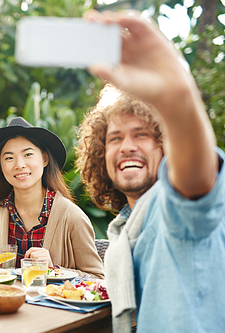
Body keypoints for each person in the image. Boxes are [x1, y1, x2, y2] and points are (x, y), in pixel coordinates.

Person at [75, 10, 225, 333]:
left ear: (165, 148)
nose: (126, 146)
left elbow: (196, 183)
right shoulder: (122, 230)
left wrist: (177, 100)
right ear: (101, 155)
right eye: (115, 138)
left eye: (141, 134)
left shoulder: (174, 209)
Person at [0, 117, 104, 279]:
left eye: (28, 154)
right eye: (9, 158)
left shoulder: (72, 217)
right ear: (1, 167)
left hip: (51, 304)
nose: (19, 164)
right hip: (5, 301)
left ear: (45, 159)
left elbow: (98, 278)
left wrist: (53, 269)